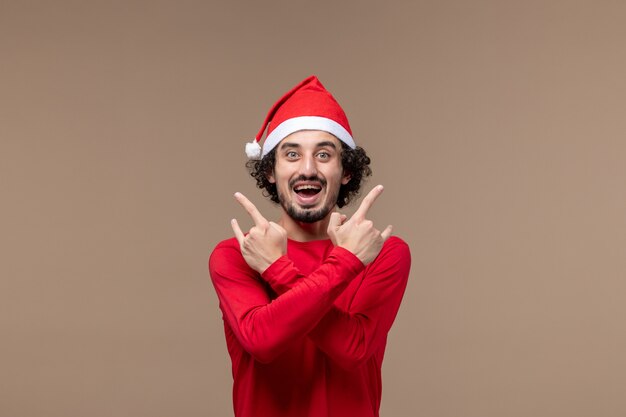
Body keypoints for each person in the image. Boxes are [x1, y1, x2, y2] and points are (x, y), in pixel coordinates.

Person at [209, 75, 411, 417]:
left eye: (323, 154)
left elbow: (353, 349)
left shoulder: (382, 252)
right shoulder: (236, 254)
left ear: (345, 170)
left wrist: (278, 270)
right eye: (291, 154)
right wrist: (345, 263)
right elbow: (263, 341)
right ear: (270, 171)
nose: (307, 169)